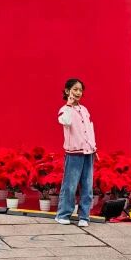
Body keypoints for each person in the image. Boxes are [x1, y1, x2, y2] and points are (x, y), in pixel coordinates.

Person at [56, 77, 96, 228]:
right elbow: (65, 122)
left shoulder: (84, 109)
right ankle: (63, 214)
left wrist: (94, 148)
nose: (78, 92)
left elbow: (90, 130)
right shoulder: (64, 109)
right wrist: (69, 104)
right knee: (70, 186)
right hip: (74, 153)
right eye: (75, 89)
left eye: (80, 90)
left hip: (88, 152)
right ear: (67, 91)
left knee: (87, 186)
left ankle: (84, 216)